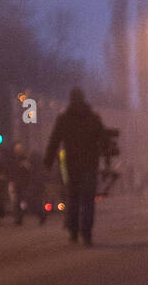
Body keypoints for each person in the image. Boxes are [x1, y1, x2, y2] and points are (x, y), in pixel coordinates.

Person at [44, 87, 107, 245]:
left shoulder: (63, 119)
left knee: (72, 198)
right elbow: (104, 141)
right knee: (88, 200)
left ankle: (73, 230)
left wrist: (48, 161)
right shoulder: (93, 118)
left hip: (71, 166)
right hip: (90, 165)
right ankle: (86, 233)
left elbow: (54, 140)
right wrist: (106, 160)